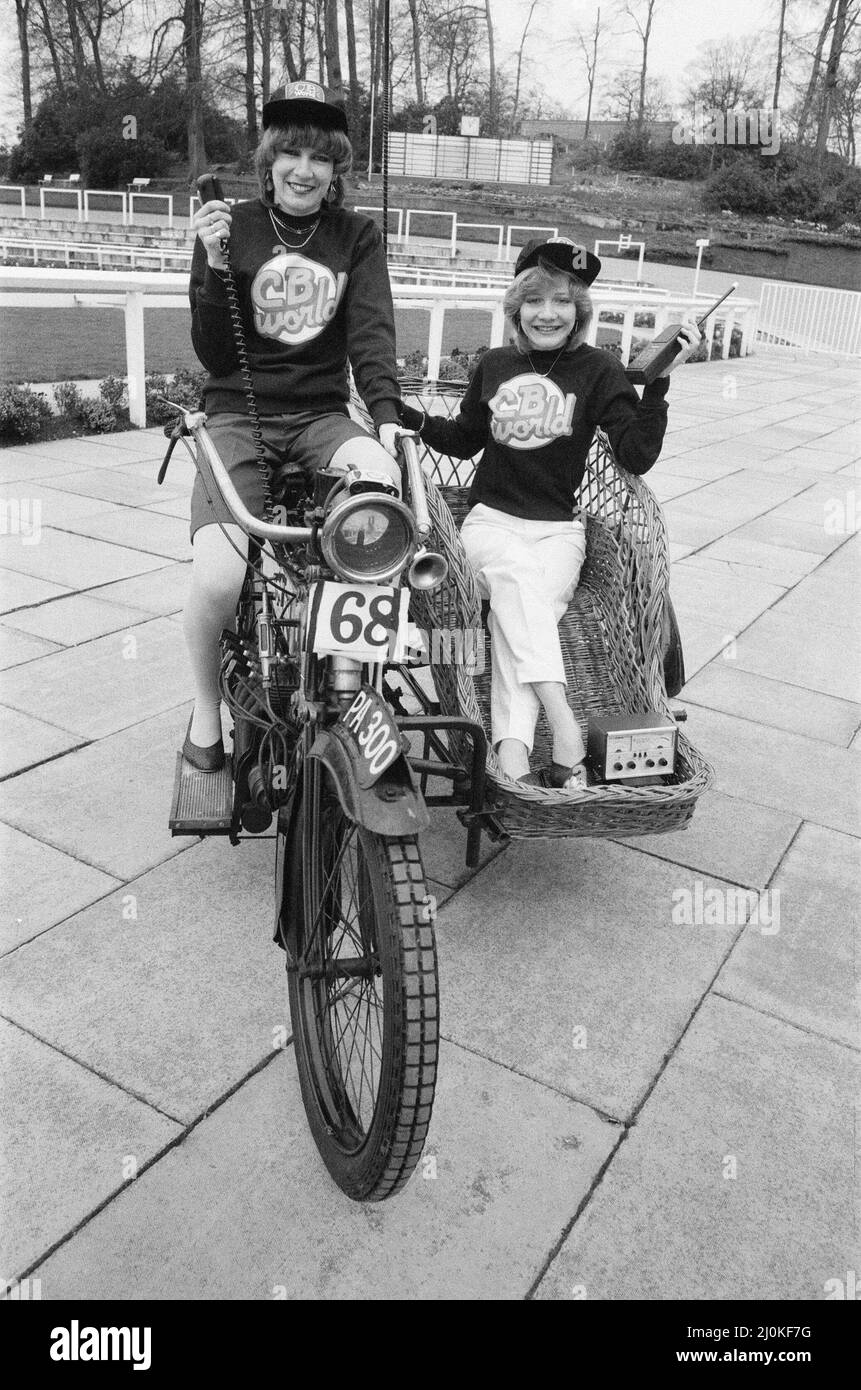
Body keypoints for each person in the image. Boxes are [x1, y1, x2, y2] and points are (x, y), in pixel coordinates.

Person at [398, 237, 701, 789]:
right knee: (515, 580)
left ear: (579, 311)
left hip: (561, 533)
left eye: (563, 301)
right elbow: (466, 441)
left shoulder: (598, 370)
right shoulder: (494, 364)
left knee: (517, 608)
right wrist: (409, 418)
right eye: (535, 301)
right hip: (489, 524)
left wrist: (658, 384)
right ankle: (565, 729)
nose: (548, 314)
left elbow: (636, 456)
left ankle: (511, 754)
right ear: (516, 309)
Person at [183, 81, 402, 770]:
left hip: (319, 416)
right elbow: (217, 355)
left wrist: (388, 421)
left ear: (336, 168)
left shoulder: (355, 236)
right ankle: (202, 706)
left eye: (320, 157)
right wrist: (215, 265)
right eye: (291, 152)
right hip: (236, 416)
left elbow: (370, 333)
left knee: (381, 492)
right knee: (219, 578)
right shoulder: (230, 226)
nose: (304, 169)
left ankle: (350, 682)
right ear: (269, 159)